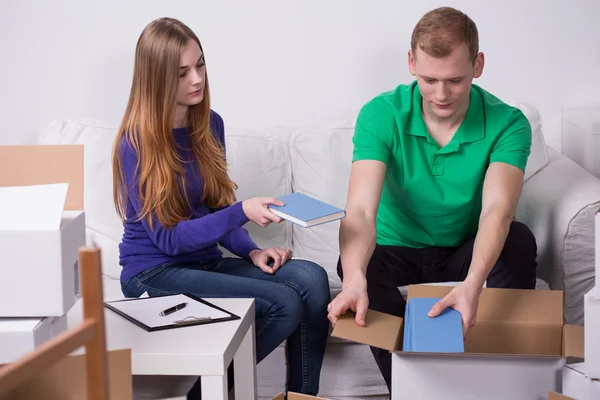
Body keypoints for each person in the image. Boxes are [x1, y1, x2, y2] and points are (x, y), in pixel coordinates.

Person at [112, 17, 330, 397]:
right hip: (153, 272)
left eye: (200, 64)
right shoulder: (135, 143)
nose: (197, 79)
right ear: (157, 79)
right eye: (182, 72)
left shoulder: (210, 124)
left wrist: (253, 250)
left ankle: (301, 396)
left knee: (311, 279)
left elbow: (215, 209)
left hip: (203, 262)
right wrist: (242, 210)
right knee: (282, 303)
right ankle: (203, 395)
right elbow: (169, 240)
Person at [326, 6, 537, 394]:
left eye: (455, 80)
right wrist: (354, 277)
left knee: (519, 239)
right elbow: (359, 210)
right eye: (430, 79)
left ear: (479, 64)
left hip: (461, 249)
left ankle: (503, 386)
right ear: (411, 63)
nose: (442, 94)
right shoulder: (380, 114)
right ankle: (412, 390)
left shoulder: (509, 123)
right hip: (395, 249)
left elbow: (497, 212)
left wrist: (474, 282)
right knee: (355, 264)